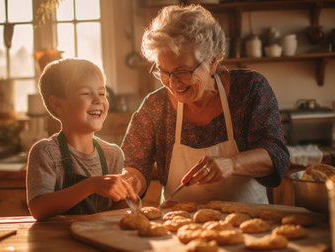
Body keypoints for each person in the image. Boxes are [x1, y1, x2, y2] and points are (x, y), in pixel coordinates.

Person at [121, 4, 290, 204]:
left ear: (212, 62)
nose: (173, 83)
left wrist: (232, 164)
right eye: (163, 72)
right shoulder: (155, 106)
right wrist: (129, 182)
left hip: (248, 224)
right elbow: (134, 165)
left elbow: (276, 155)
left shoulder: (249, 89)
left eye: (183, 71)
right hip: (178, 229)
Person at [27, 58, 136, 220]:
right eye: (86, 93)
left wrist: (128, 197)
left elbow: (116, 209)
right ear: (57, 104)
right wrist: (91, 185)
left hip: (101, 239)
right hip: (57, 241)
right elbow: (39, 209)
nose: (98, 100)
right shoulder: (46, 152)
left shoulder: (113, 154)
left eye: (101, 93)